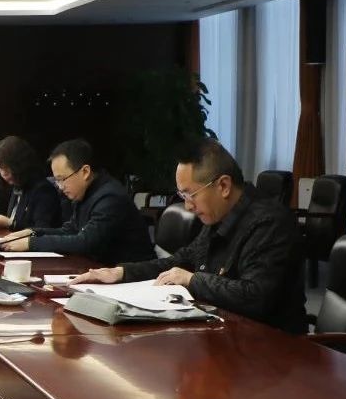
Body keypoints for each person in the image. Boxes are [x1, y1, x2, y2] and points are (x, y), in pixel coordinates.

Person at [71, 139, 306, 334]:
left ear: (223, 186)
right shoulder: (219, 216)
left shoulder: (270, 223)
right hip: (224, 333)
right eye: (182, 195)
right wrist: (121, 273)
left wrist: (193, 280)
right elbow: (181, 262)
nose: (188, 206)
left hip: (271, 349)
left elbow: (255, 296)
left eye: (190, 194)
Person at [1, 139, 153, 264]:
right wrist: (32, 232)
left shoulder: (110, 197)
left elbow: (86, 242)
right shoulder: (86, 192)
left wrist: (31, 243)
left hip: (132, 277)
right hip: (100, 270)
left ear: (85, 172)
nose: (60, 187)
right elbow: (70, 230)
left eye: (62, 179)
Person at [0, 135, 63, 231]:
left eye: (8, 167)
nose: (4, 173)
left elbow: (42, 230)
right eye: (0, 167)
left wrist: (10, 223)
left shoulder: (43, 190)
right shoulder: (16, 185)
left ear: (21, 165)